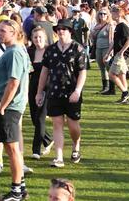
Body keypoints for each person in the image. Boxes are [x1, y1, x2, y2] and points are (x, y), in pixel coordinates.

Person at [36, 19, 88, 168]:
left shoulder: (78, 49)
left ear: (70, 31)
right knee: (57, 124)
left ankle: (75, 145)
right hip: (54, 92)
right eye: (58, 29)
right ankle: (59, 157)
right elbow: (44, 71)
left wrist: (77, 91)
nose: (60, 31)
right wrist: (40, 92)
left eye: (64, 29)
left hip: (72, 93)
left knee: (73, 125)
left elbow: (82, 72)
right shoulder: (51, 49)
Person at [0, 19, 30, 201]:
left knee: (12, 148)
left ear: (14, 33)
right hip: (10, 105)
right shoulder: (14, 51)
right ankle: (21, 188)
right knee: (10, 148)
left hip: (9, 107)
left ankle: (16, 191)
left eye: (3, 31)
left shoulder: (15, 52)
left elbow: (14, 82)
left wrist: (2, 106)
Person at [27, 27, 53, 159]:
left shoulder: (50, 51)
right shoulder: (29, 51)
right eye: (35, 37)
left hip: (47, 87)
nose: (38, 40)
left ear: (45, 38)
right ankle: (48, 139)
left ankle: (35, 150)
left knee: (40, 117)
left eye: (40, 37)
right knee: (34, 117)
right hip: (32, 86)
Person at [107, 6, 129, 104]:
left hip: (120, 55)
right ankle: (125, 99)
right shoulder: (117, 25)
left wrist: (122, 51)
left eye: (112, 12)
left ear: (118, 13)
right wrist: (108, 53)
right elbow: (114, 41)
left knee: (111, 74)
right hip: (118, 53)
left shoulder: (123, 25)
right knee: (122, 75)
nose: (111, 14)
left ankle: (125, 93)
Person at [91, 7, 114, 94]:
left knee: (108, 67)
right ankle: (105, 86)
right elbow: (93, 38)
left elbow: (111, 39)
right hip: (98, 48)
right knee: (101, 68)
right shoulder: (96, 25)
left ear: (108, 15)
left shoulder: (109, 25)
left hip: (106, 48)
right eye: (100, 13)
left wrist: (110, 51)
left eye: (104, 14)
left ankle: (111, 88)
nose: (102, 15)